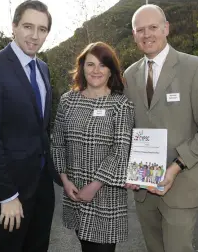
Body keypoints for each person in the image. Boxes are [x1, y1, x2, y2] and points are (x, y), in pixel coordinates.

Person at [123, 4, 198, 252]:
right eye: (140, 29)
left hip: (181, 186)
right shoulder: (130, 76)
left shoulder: (195, 68)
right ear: (134, 35)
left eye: (153, 27)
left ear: (166, 28)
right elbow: (130, 131)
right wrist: (128, 168)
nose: (147, 34)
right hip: (144, 189)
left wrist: (176, 166)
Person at [0, 0, 62, 252]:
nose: (35, 36)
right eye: (28, 26)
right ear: (14, 26)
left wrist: (58, 175)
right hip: (9, 192)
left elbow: (40, 129)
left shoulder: (43, 68)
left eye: (42, 29)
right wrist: (7, 196)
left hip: (42, 188)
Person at [52, 41, 135, 252]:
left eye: (102, 65)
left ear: (110, 71)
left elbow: (120, 151)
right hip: (75, 193)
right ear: (82, 68)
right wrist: (64, 179)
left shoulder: (121, 104)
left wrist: (94, 185)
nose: (96, 70)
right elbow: (58, 143)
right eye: (90, 64)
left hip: (106, 196)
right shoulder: (68, 101)